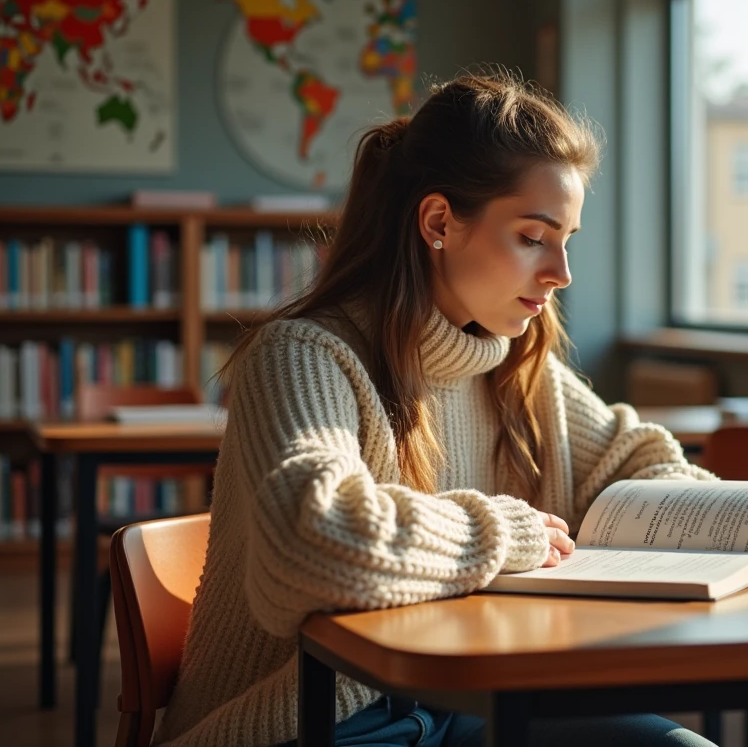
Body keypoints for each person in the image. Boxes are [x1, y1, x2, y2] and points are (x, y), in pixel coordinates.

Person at [153, 73, 717, 747]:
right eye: (535, 237)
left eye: (567, 238)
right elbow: (306, 538)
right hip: (314, 720)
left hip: (470, 701)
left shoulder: (511, 363)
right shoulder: (302, 355)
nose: (561, 271)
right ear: (439, 223)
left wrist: (725, 518)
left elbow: (639, 458)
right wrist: (507, 535)